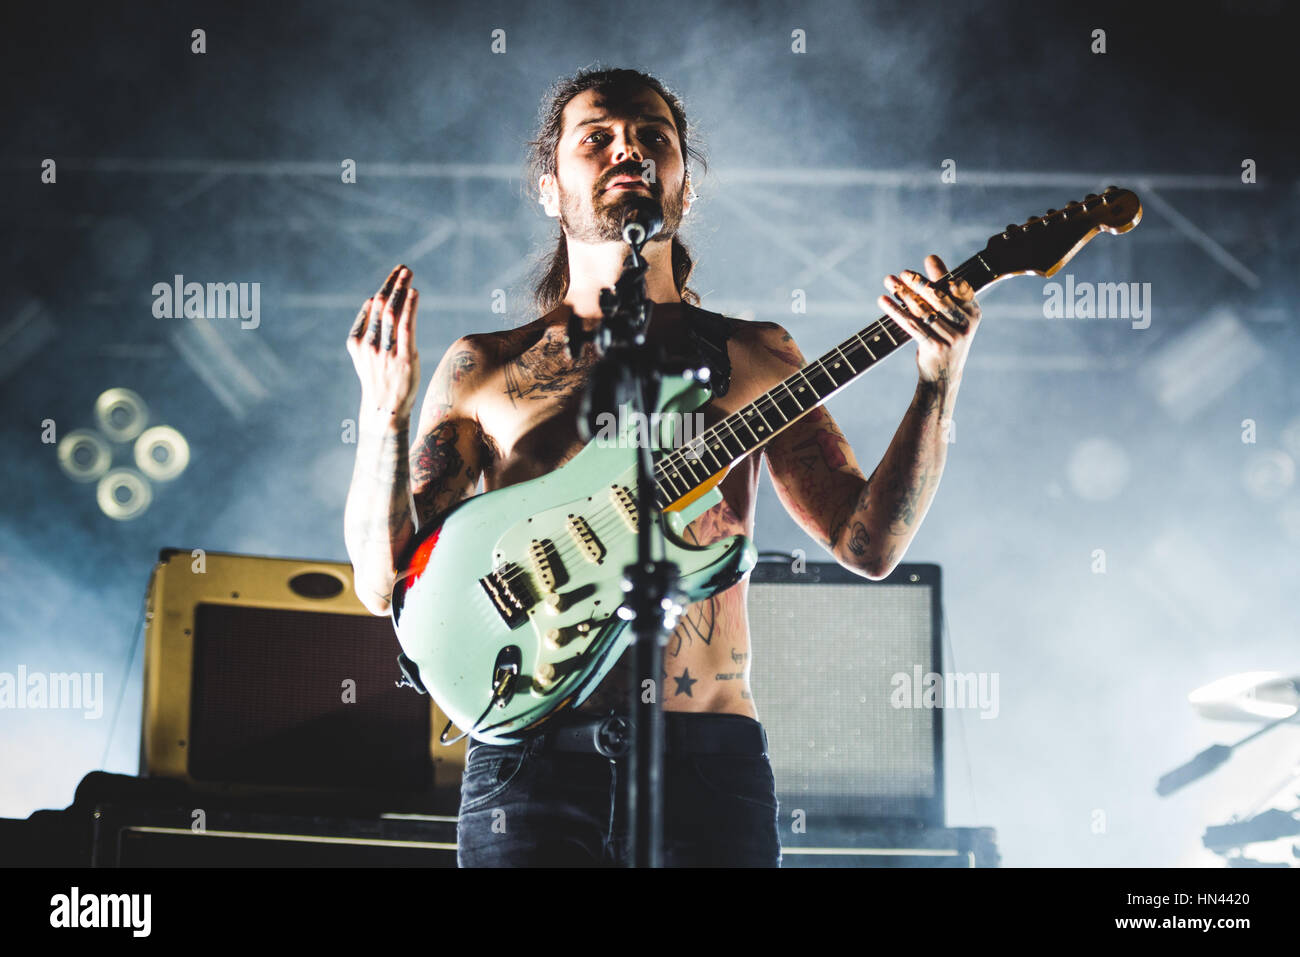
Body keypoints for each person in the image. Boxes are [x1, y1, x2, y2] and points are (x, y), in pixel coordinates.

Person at [343, 67, 981, 866]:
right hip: (530, 767)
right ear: (550, 187)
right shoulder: (487, 366)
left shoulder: (756, 355)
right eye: (598, 138)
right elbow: (382, 582)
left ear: (684, 185)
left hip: (708, 762)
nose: (629, 152)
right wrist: (382, 413)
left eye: (654, 139)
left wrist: (935, 381)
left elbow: (867, 543)